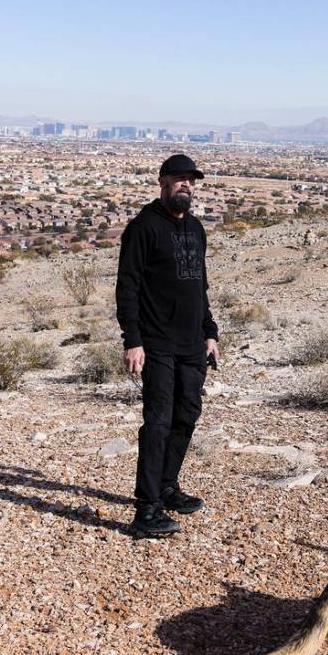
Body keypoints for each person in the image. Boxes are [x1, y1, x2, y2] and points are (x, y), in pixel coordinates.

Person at [115, 154, 219, 536]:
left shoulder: (195, 227)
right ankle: (146, 509)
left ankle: (167, 486)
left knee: (186, 416)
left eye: (191, 180)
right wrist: (133, 341)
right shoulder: (143, 228)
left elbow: (200, 286)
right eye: (179, 179)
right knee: (157, 424)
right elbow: (128, 287)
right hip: (156, 343)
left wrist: (210, 332)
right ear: (162, 182)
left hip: (193, 344)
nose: (185, 185)